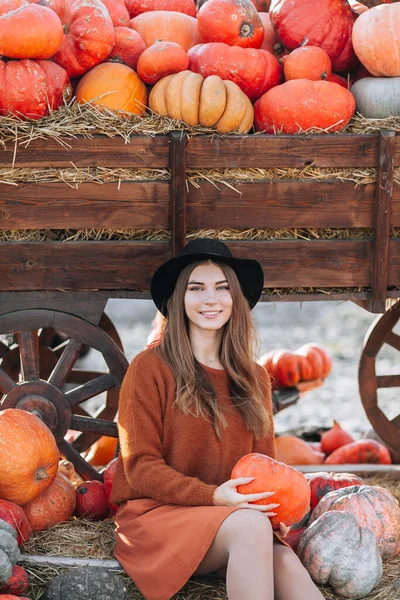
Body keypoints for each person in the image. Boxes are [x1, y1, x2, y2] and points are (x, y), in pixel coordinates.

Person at [111, 238, 324, 600]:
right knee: (248, 526)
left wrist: (276, 510)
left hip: (231, 517)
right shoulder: (149, 369)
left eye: (222, 287)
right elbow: (140, 467)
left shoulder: (254, 377)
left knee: (285, 563)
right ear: (179, 298)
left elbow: (264, 468)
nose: (211, 299)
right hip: (158, 517)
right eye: (197, 288)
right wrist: (213, 496)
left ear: (235, 299)